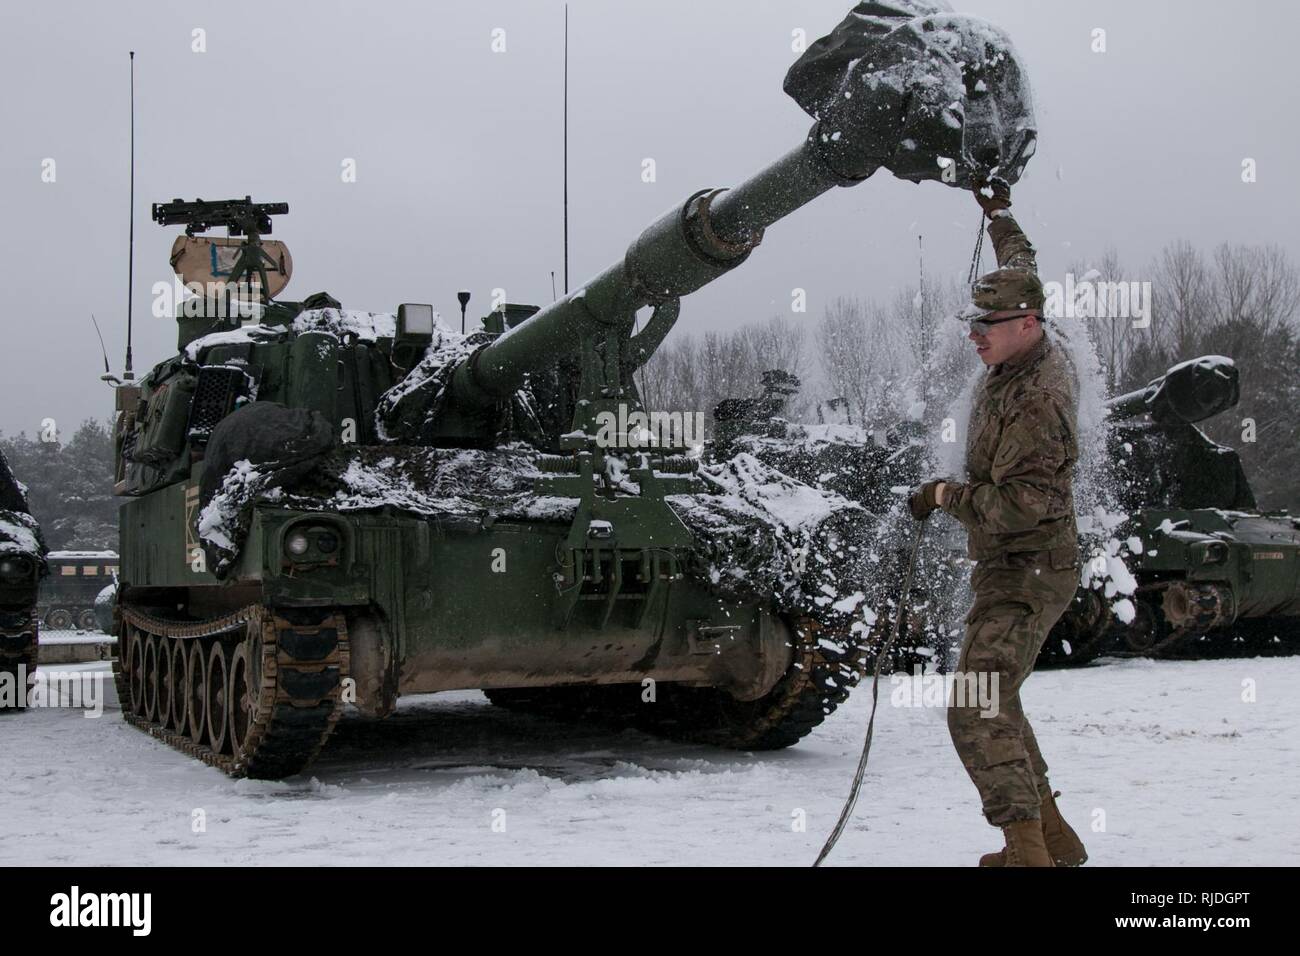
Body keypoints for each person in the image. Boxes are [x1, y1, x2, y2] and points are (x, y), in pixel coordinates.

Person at [908, 178, 1088, 867]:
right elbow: (1023, 261)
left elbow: (1022, 505)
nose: (974, 336)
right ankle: (1054, 839)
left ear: (1028, 325)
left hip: (1029, 566)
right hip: (1011, 565)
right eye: (971, 324)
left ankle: (1025, 851)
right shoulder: (1022, 323)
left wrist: (945, 496)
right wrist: (997, 213)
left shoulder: (1038, 400)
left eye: (987, 327)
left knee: (975, 703)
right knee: (998, 696)